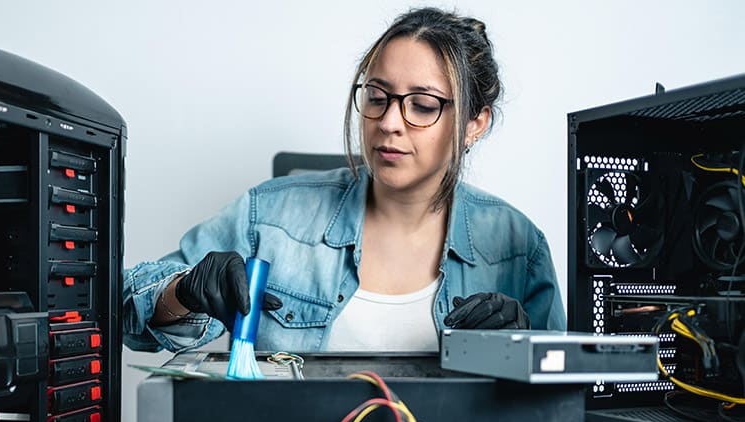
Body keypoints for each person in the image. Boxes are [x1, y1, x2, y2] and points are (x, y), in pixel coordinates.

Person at [122, 7, 565, 355]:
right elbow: (126, 310)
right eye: (377, 96)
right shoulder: (270, 216)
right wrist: (182, 291)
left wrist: (526, 351)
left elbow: (558, 412)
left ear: (475, 123)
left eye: (423, 105)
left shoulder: (518, 245)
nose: (389, 122)